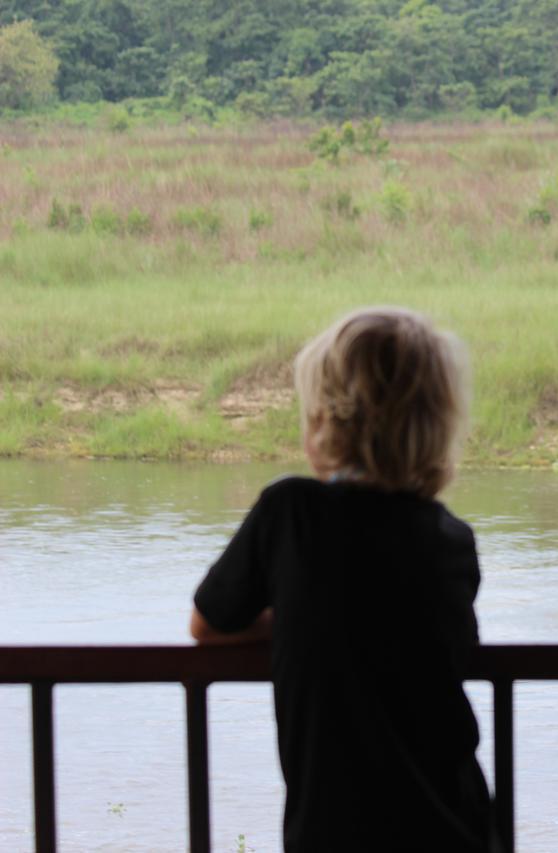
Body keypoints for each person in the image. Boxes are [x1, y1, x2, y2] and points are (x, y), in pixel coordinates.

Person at [189, 307, 499, 852]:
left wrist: (301, 620)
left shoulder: (291, 512)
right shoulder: (451, 537)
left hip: (335, 828)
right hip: (457, 824)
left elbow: (209, 625)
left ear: (324, 422)